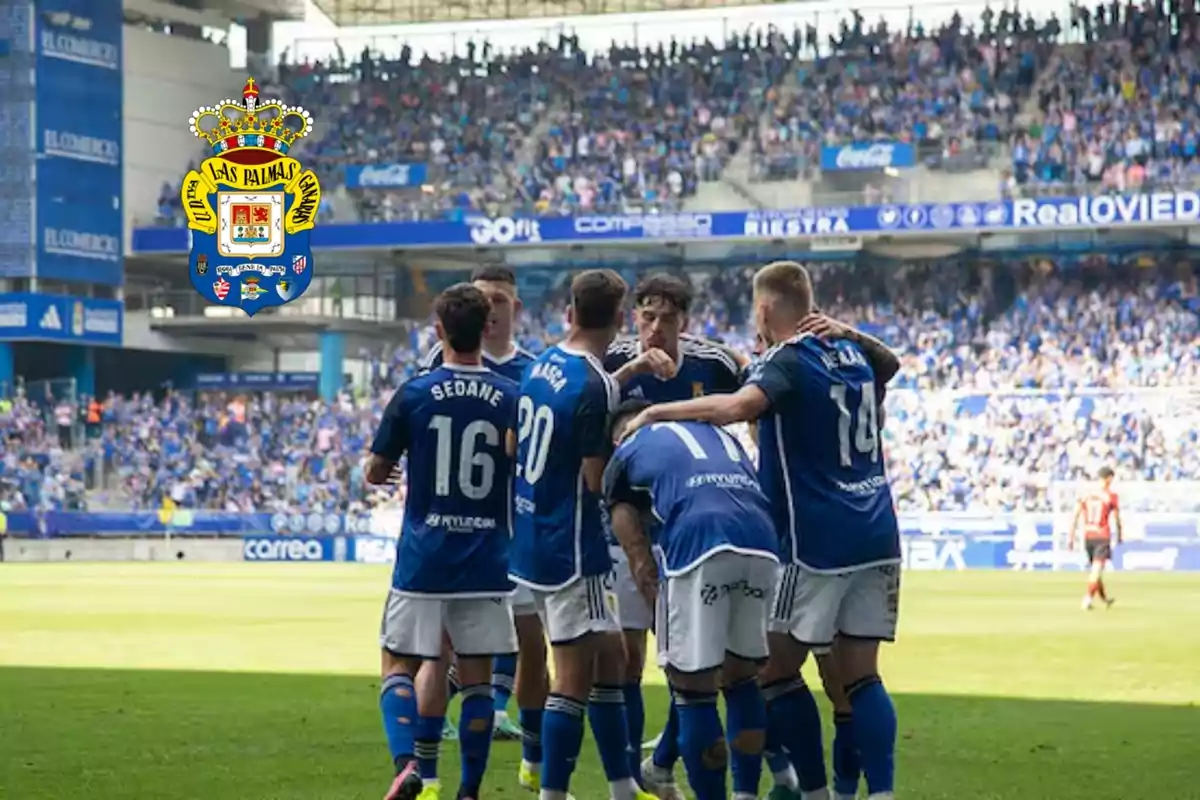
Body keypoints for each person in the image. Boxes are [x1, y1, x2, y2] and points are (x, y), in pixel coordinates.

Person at [620, 261, 902, 800]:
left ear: (765, 310)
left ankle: (804, 787)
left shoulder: (786, 359)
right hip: (878, 532)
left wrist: (657, 414)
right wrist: (849, 331)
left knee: (763, 672)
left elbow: (739, 405)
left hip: (814, 540)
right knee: (860, 677)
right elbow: (891, 363)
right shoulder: (856, 354)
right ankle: (872, 793)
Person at [366, 283, 520, 800]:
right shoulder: (510, 397)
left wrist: (385, 471)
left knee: (397, 663)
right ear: (488, 329)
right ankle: (469, 791)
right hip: (486, 556)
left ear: (439, 331)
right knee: (476, 679)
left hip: (425, 555)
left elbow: (376, 469)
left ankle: (408, 763)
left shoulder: (414, 392)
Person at [509, 269, 656, 800]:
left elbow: (514, 444)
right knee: (573, 675)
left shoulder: (543, 362)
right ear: (620, 319)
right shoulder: (593, 386)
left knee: (614, 655)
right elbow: (597, 479)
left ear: (570, 310)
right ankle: (553, 792)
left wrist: (633, 368)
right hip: (571, 546)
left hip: (530, 535)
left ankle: (621, 786)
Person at [602, 274, 744, 800]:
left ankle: (660, 761)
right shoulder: (615, 359)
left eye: (666, 318)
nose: (655, 328)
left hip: (692, 530)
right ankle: (633, 777)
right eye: (646, 316)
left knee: (699, 660)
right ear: (634, 316)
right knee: (630, 660)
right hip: (623, 526)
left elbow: (758, 400)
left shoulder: (716, 364)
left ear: (685, 322)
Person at [604, 399, 778, 800]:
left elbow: (631, 538)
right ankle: (746, 794)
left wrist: (654, 593)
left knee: (692, 687)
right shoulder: (715, 434)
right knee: (742, 677)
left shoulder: (627, 448)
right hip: (763, 541)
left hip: (701, 543)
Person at [420, 265, 539, 743]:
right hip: (453, 521)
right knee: (448, 631)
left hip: (512, 520)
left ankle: (498, 710)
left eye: (501, 301)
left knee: (515, 623)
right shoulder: (439, 359)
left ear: (517, 308)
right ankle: (439, 717)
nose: (491, 310)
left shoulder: (532, 369)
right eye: (483, 299)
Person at [1068, 467, 1122, 610]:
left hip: (1088, 535)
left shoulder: (1086, 495)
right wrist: (1120, 534)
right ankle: (1087, 599)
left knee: (1096, 571)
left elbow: (1075, 516)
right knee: (1096, 570)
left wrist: (1071, 536)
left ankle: (1105, 600)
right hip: (1102, 535)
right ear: (1109, 478)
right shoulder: (1111, 496)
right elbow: (1117, 518)